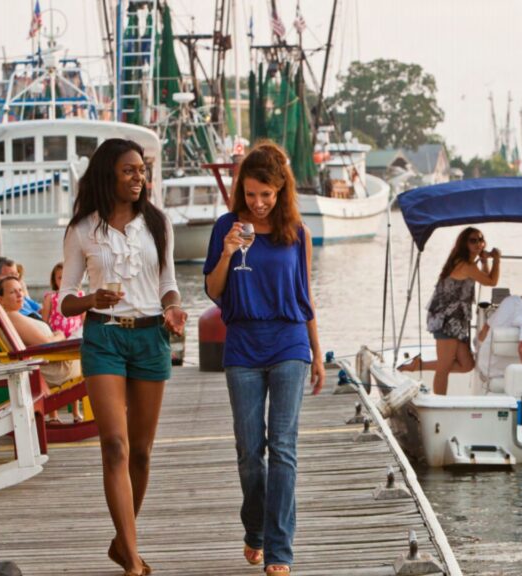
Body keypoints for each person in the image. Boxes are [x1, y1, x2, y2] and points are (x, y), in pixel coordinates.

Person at [59, 138, 187, 576]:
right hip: (104, 340)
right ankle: (133, 561)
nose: (139, 178)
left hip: (151, 339)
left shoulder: (158, 223)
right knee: (114, 445)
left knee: (142, 453)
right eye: (129, 170)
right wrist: (92, 296)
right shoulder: (81, 230)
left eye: (142, 170)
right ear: (107, 174)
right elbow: (64, 301)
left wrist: (173, 307)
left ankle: (121, 542)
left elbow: (168, 282)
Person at [204, 141, 326, 576]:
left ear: (280, 191)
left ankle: (279, 549)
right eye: (251, 194)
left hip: (289, 342)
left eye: (266, 195)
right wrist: (227, 252)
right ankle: (255, 527)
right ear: (242, 191)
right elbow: (215, 292)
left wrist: (315, 351)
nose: (257, 203)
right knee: (249, 450)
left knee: (285, 449)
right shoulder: (226, 227)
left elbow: (305, 296)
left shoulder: (298, 233)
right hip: (243, 344)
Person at [399, 227, 501, 395]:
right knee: (444, 368)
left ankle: (417, 365)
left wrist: (485, 261)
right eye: (473, 240)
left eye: (481, 240)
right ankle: (440, 403)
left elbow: (486, 279)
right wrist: (497, 259)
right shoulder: (465, 265)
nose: (479, 243)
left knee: (467, 365)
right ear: (464, 244)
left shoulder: (468, 263)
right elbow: (491, 281)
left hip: (457, 320)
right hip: (446, 319)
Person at [0, 275, 83, 423]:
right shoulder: (13, 317)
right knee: (93, 354)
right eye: (12, 292)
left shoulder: (14, 316)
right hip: (49, 369)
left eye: (20, 290)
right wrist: (60, 334)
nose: (19, 294)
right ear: (0, 299)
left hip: (46, 363)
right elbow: (46, 343)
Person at [42, 262, 84, 338]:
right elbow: (44, 321)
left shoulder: (79, 295)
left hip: (76, 336)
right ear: (54, 280)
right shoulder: (50, 297)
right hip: (57, 336)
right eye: (60, 278)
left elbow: (84, 318)